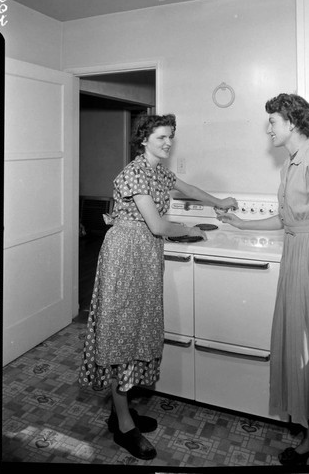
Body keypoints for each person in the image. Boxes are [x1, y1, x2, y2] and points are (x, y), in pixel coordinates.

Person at [78, 113, 238, 460]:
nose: (167, 143)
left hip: (145, 257)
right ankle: (123, 426)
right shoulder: (134, 172)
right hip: (125, 257)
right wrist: (191, 229)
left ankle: (119, 411)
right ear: (144, 140)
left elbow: (188, 189)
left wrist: (218, 202)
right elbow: (157, 224)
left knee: (137, 330)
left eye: (170, 138)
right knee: (121, 334)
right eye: (161, 137)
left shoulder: (159, 172)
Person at [217, 93, 309, 466]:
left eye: (273, 121)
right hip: (297, 258)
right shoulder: (291, 164)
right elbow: (286, 218)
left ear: (291, 122)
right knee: (299, 349)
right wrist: (241, 222)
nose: (268, 128)